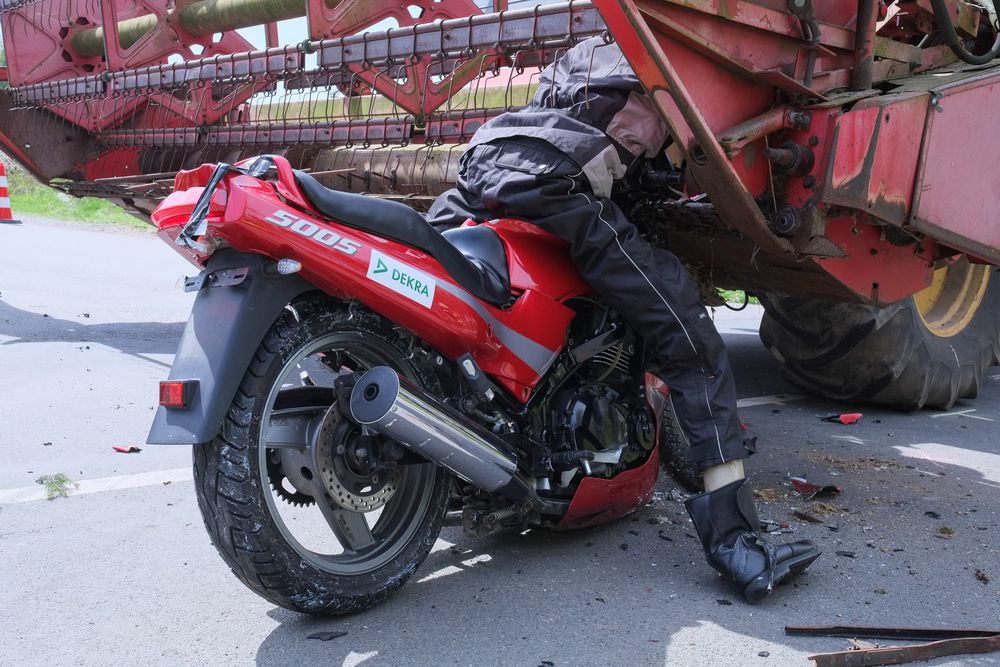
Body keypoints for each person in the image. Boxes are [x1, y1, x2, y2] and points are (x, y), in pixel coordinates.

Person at [426, 36, 820, 603]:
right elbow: (691, 147)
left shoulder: (584, 57)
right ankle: (736, 542)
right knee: (691, 341)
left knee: (442, 297)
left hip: (486, 163)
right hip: (560, 178)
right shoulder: (674, 58)